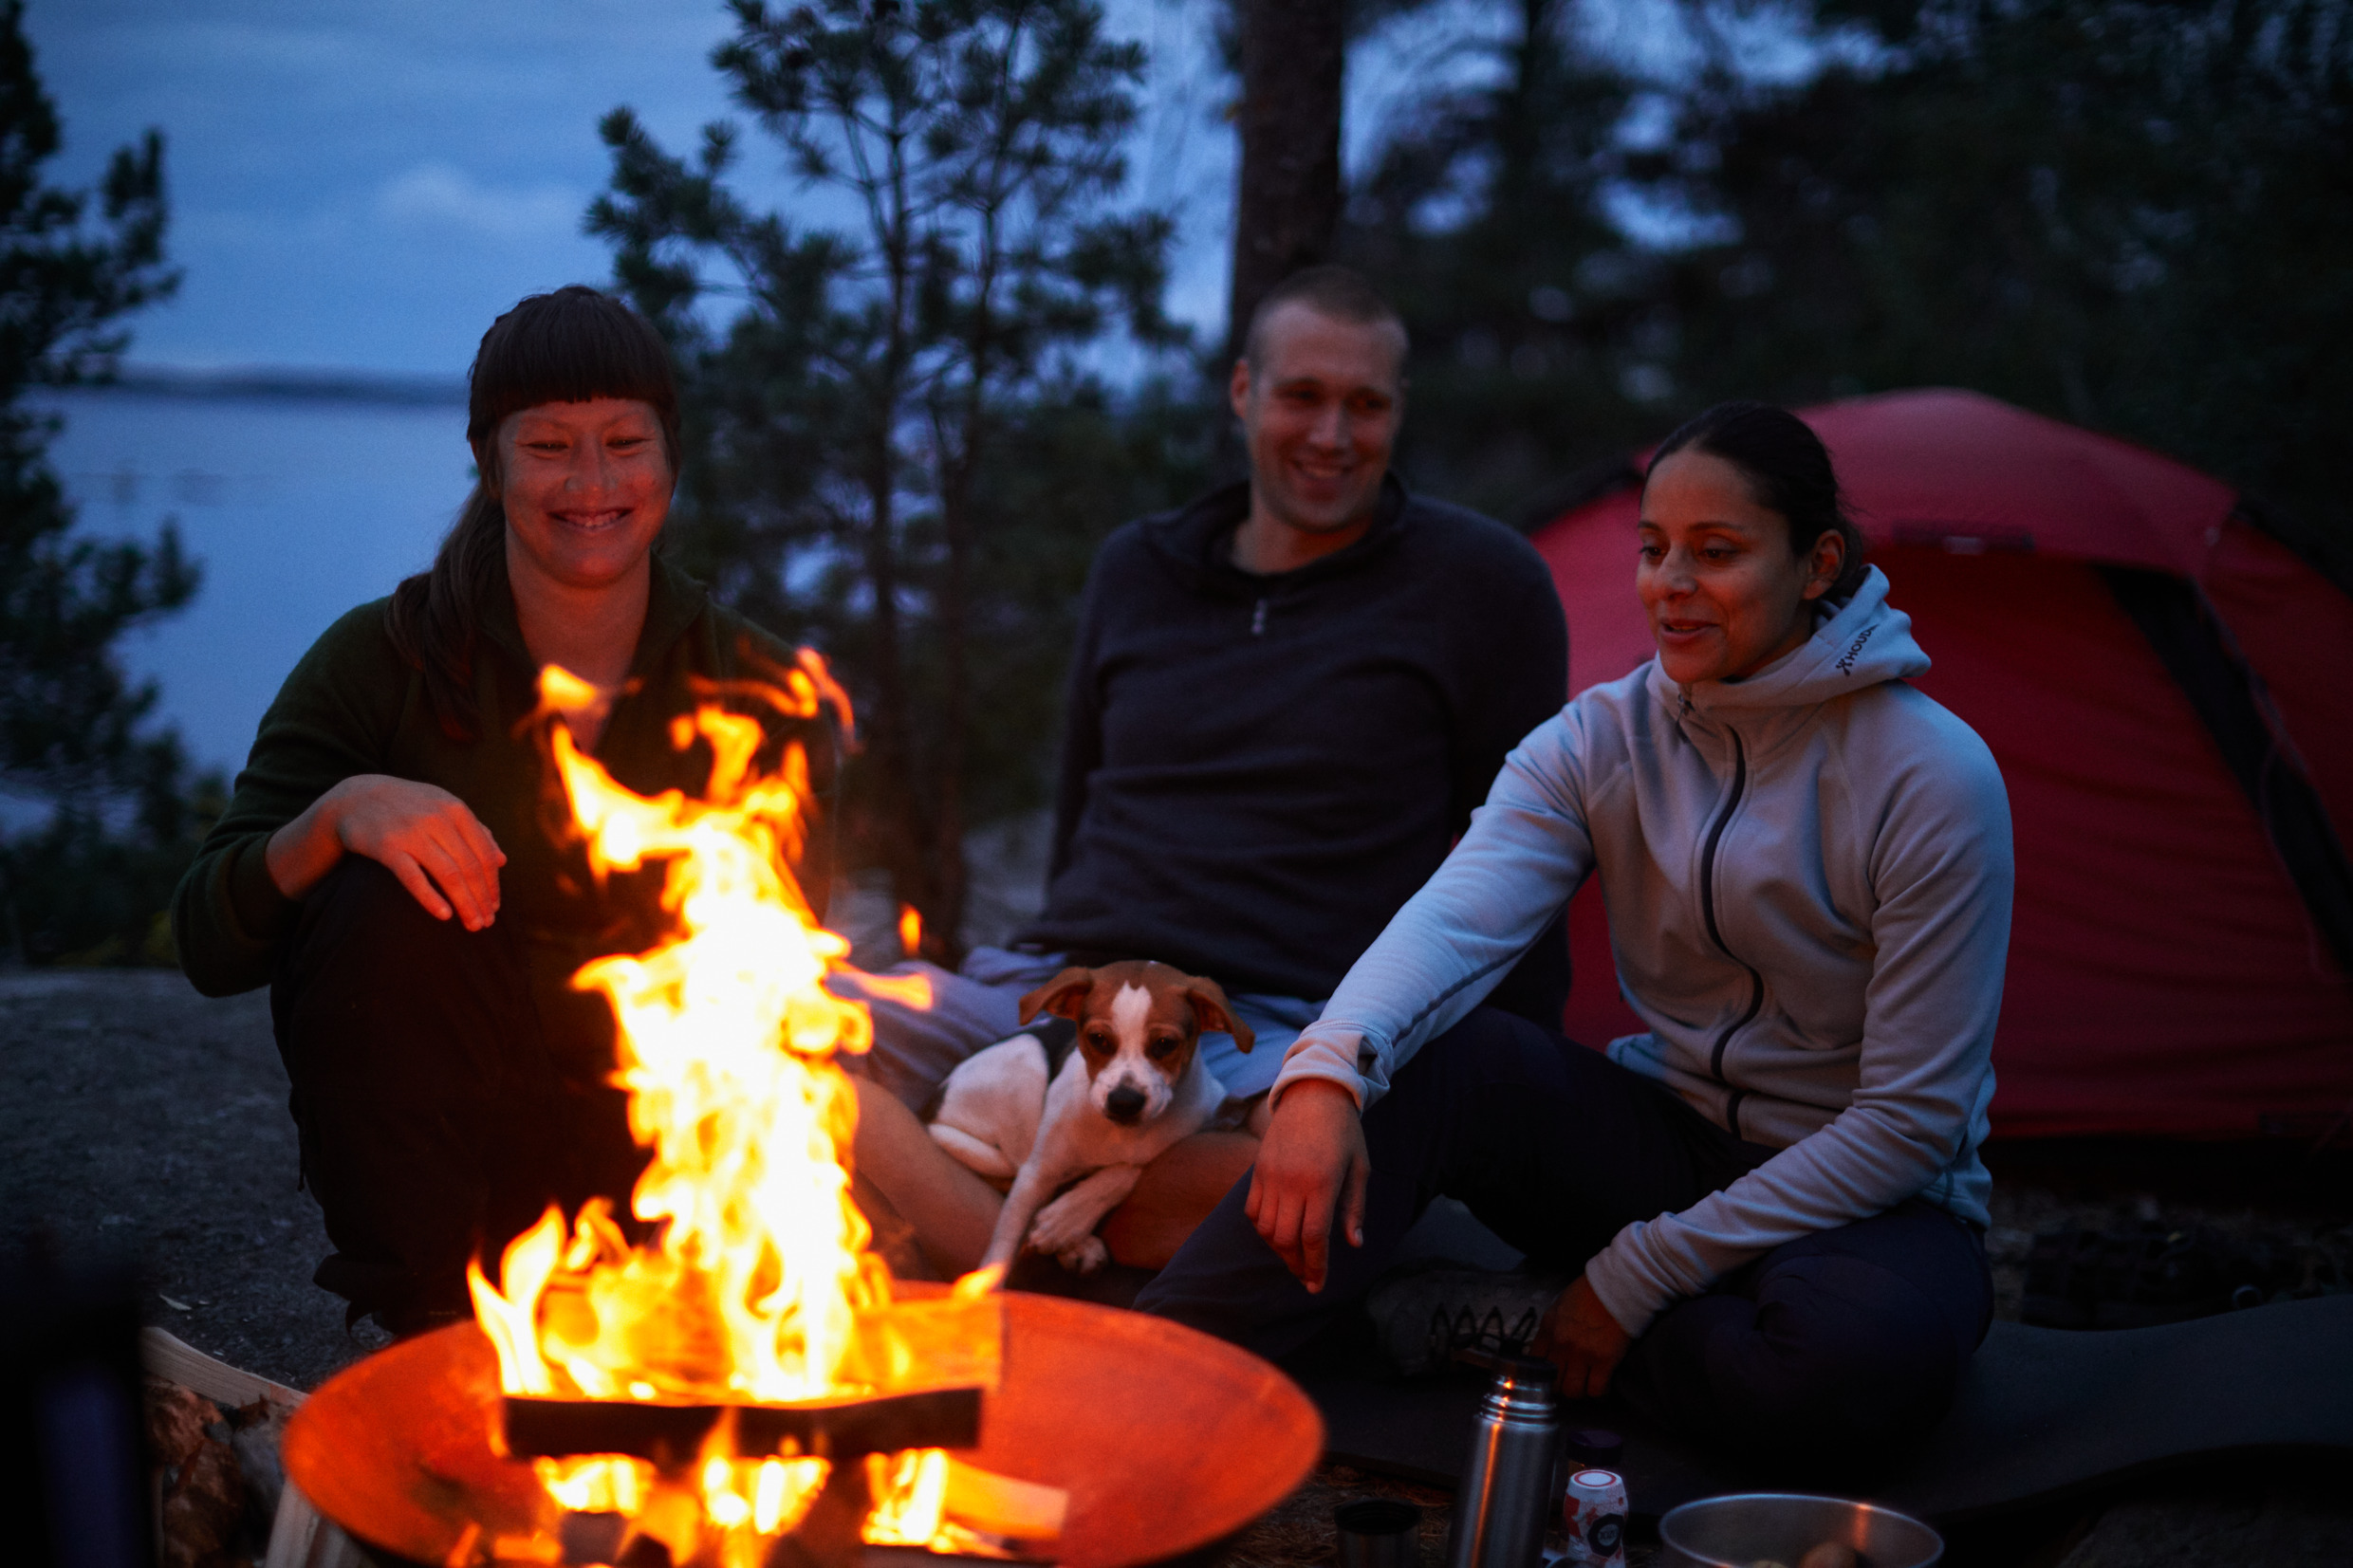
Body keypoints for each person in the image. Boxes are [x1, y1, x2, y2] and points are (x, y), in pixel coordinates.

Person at [1136, 401, 2012, 1472]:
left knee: (1852, 1368)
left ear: (1816, 562)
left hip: (1867, 1203)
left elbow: (1908, 1125)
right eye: (1652, 552)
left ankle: (1515, 1324)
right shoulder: (1603, 739)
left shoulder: (1930, 777)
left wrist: (1635, 1273)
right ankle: (1141, 1372)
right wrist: (1322, 1074)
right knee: (1431, 1063)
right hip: (1665, 1143)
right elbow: (1459, 915)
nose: (1669, 585)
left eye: (1717, 552)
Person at [844, 266, 1571, 1276]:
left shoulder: (1477, 586)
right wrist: (1054, 978)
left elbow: (1526, 857)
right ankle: (1041, 1246)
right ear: (1242, 393)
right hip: (1070, 988)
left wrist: (1520, 1095)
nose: (1330, 435)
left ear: (1397, 412)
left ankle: (986, 1223)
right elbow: (1079, 812)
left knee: (1308, 1172)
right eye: (1300, 397)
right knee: (766, 1042)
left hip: (1279, 1022)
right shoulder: (1139, 570)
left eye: (1363, 404)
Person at [171, 286, 827, 1334]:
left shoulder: (750, 684)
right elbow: (207, 936)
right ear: (489, 462)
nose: (593, 483)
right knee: (375, 902)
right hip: (447, 1189)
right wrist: (338, 815)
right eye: (549, 447)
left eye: (624, 442)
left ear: (671, 458)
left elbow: (787, 989)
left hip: (667, 1182)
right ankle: (431, 1338)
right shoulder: (381, 662)